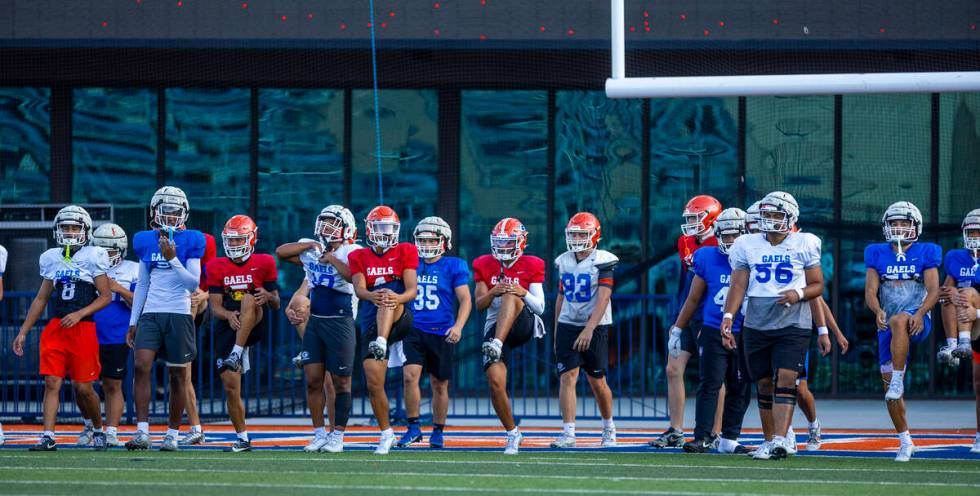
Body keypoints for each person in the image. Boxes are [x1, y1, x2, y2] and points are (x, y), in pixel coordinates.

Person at [721, 191, 825, 460]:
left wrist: (798, 294)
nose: (770, 220)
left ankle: (780, 439)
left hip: (793, 321)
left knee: (787, 378)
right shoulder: (747, 243)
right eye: (767, 215)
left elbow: (818, 285)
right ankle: (769, 440)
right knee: (764, 383)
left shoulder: (805, 242)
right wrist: (729, 317)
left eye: (777, 215)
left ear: (791, 217)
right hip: (757, 320)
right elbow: (739, 284)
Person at [12, 206, 112, 451]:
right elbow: (41, 298)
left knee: (83, 388)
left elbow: (106, 296)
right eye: (65, 227)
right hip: (56, 327)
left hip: (83, 328)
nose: (69, 232)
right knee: (52, 383)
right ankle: (48, 436)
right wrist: (23, 331)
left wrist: (80, 313)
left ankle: (98, 429)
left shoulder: (94, 255)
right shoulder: (51, 257)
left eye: (74, 227)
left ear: (85, 230)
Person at [125, 186, 206, 451]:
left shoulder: (193, 239)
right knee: (141, 366)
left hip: (179, 313)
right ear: (155, 212)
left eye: (174, 212)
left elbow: (192, 283)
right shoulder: (145, 239)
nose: (170, 216)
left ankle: (172, 434)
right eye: (165, 211)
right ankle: (143, 431)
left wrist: (172, 259)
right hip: (151, 311)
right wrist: (133, 321)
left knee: (178, 375)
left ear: (183, 214)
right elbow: (143, 285)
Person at [276, 205, 360, 453]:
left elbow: (352, 276)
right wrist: (310, 247)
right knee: (313, 380)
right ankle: (319, 433)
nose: (326, 227)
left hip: (341, 319)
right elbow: (281, 252)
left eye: (332, 223)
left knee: (341, 381)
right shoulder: (311, 247)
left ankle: (338, 436)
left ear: (346, 229)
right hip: (317, 321)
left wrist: (331, 258)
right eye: (323, 221)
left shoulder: (351, 251)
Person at [669, 208, 752, 454]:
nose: (730, 241)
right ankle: (702, 436)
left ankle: (730, 438)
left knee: (740, 386)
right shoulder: (706, 256)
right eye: (725, 236)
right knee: (710, 383)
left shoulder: (754, 258)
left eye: (734, 236)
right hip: (713, 328)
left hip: (744, 330)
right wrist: (678, 329)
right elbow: (693, 299)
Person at [864, 201, 940, 462]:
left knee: (899, 321)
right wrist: (877, 311)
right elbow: (870, 292)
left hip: (917, 319)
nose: (898, 227)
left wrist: (919, 314)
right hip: (888, 323)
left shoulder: (926, 252)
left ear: (915, 226)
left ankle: (899, 378)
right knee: (889, 390)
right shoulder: (876, 253)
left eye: (904, 223)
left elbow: (934, 290)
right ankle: (905, 441)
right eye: (894, 223)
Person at [651, 195, 723, 449]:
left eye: (696, 217)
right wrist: (678, 317)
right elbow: (686, 282)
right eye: (689, 218)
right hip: (688, 312)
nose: (691, 223)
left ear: (712, 217)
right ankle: (676, 429)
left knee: (713, 375)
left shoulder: (722, 240)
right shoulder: (685, 241)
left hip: (711, 314)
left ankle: (715, 431)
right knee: (673, 369)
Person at [348, 205, 419, 455]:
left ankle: (381, 339)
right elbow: (359, 290)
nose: (385, 233)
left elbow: (412, 290)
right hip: (371, 320)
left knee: (389, 295)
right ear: (369, 229)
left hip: (400, 316)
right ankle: (386, 432)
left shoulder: (406, 250)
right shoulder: (358, 256)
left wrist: (393, 298)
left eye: (389, 228)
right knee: (373, 382)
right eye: (379, 227)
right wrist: (372, 295)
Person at [206, 215, 279, 452]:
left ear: (251, 239)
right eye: (232, 240)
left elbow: (276, 302)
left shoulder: (265, 261)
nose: (235, 245)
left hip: (255, 321)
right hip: (230, 324)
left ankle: (236, 353)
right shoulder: (216, 266)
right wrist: (228, 316)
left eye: (239, 240)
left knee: (249, 298)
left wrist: (268, 297)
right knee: (230, 386)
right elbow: (215, 306)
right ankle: (243, 437)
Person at [397, 217, 472, 448]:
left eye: (432, 239)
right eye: (422, 239)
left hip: (441, 330)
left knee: (439, 383)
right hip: (412, 328)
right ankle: (413, 427)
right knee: (410, 377)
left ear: (444, 241)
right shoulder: (409, 263)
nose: (427, 243)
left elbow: (465, 299)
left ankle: (438, 430)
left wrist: (458, 326)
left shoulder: (454, 265)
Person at [475, 217, 546, 455]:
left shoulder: (532, 264)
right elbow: (479, 305)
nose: (503, 248)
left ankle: (496, 343)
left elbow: (540, 307)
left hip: (522, 323)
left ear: (520, 243)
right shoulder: (484, 264)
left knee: (511, 295)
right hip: (495, 324)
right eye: (500, 243)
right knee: (495, 383)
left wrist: (521, 291)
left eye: (508, 243)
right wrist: (494, 289)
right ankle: (513, 433)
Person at [549, 212, 618, 449]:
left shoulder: (603, 260)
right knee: (567, 377)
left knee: (596, 380)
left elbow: (604, 296)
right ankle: (568, 433)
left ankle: (609, 427)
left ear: (594, 235)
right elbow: (561, 297)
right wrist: (557, 329)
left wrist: (589, 328)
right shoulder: (565, 261)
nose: (577, 238)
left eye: (582, 234)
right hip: (569, 323)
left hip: (595, 325)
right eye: (574, 234)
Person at [79, 224, 139, 448]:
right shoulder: (85, 266)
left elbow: (139, 302)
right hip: (87, 331)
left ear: (121, 251)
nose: (105, 256)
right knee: (81, 385)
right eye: (101, 250)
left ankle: (111, 432)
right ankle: (89, 426)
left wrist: (119, 289)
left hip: (116, 335)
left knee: (112, 384)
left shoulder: (133, 269)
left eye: (110, 251)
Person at [937, 209, 980, 365]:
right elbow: (945, 290)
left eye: (979, 232)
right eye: (971, 232)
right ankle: (953, 347)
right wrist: (951, 292)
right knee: (946, 295)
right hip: (963, 315)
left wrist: (976, 312)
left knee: (967, 292)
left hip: (977, 313)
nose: (975, 236)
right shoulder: (955, 256)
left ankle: (964, 342)